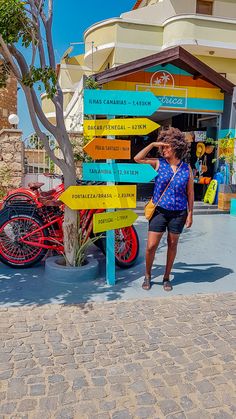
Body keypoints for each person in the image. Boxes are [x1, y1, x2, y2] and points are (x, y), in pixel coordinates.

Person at [134, 127, 194, 291]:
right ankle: (147, 275)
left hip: (179, 212)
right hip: (159, 211)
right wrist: (153, 144)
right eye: (163, 146)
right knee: (151, 246)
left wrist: (190, 214)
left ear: (177, 147)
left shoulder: (186, 168)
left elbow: (190, 192)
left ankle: (166, 277)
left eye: (167, 146)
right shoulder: (158, 163)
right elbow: (137, 158)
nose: (164, 149)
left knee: (172, 244)